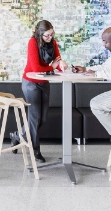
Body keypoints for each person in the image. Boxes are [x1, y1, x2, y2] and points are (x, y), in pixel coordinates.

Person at [10, 20, 68, 163]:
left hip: (44, 83)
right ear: (40, 34)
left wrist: (62, 65)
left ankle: (17, 135)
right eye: (47, 36)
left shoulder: (52, 43)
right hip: (30, 83)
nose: (50, 38)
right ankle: (35, 151)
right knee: (34, 118)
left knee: (42, 118)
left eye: (52, 34)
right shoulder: (32, 43)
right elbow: (36, 68)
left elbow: (57, 61)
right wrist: (53, 67)